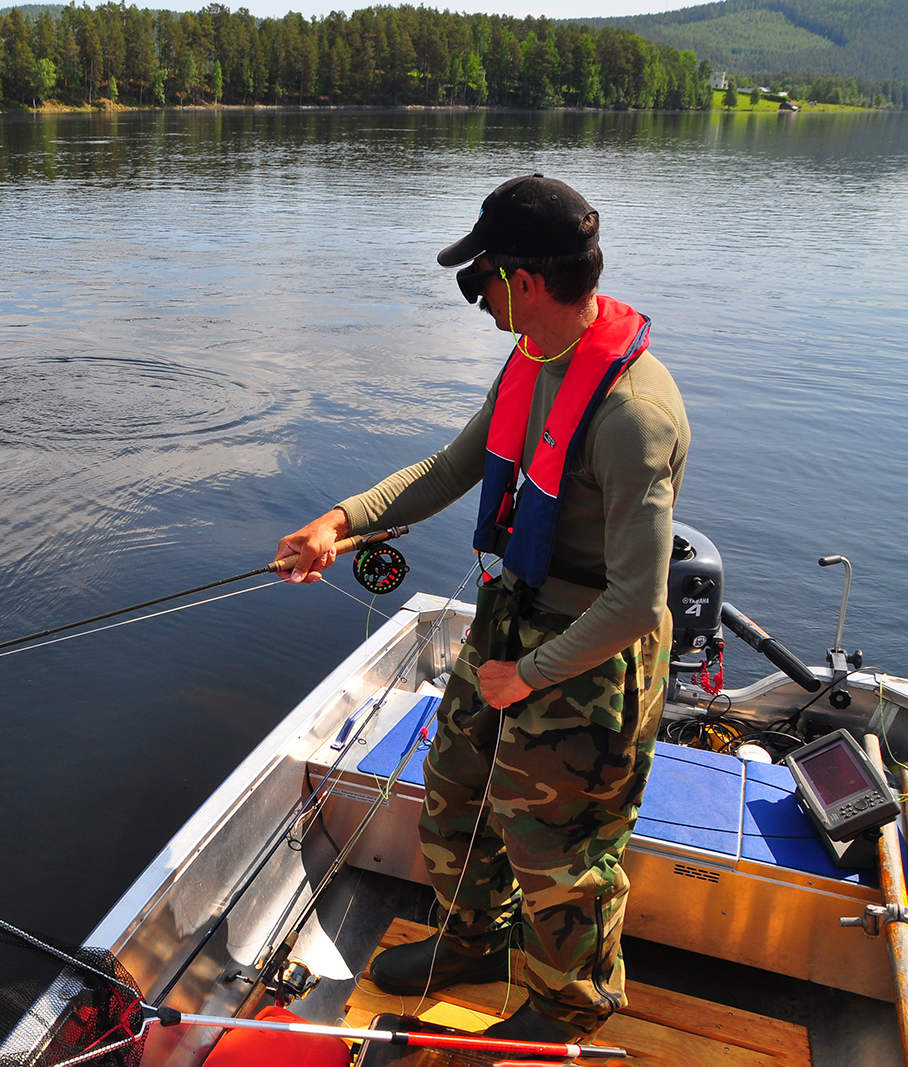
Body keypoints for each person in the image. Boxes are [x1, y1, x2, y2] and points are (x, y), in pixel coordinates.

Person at [274, 174, 690, 1042]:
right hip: (512, 616)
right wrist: (339, 522)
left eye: (481, 278)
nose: (476, 296)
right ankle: (473, 942)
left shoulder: (632, 415)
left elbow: (640, 603)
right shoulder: (532, 360)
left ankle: (567, 1005)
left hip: (590, 656)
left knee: (557, 843)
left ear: (526, 282)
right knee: (456, 785)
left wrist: (527, 676)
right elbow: (449, 469)